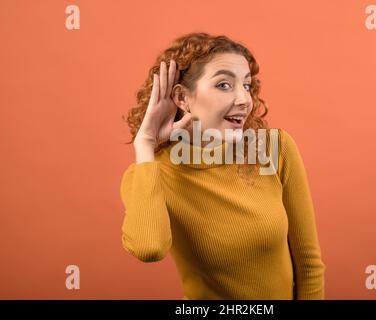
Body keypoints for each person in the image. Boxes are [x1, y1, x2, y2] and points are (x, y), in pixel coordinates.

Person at [119, 32, 326, 300]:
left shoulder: (275, 150)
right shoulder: (148, 174)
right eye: (224, 85)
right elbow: (149, 249)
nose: (244, 99)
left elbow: (309, 266)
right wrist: (145, 143)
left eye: (247, 86)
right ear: (182, 98)